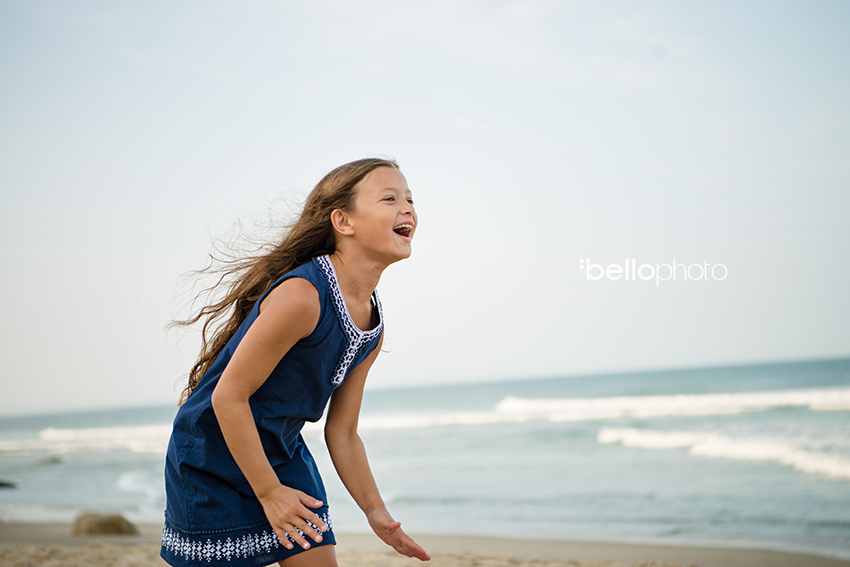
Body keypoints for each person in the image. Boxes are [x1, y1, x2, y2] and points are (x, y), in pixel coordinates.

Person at [160, 158, 430, 567]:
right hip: (211, 454)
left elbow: (343, 432)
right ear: (343, 221)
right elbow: (228, 396)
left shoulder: (371, 326)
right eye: (389, 198)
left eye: (410, 198)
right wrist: (269, 492)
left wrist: (376, 512)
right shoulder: (303, 296)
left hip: (281, 452)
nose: (407, 208)